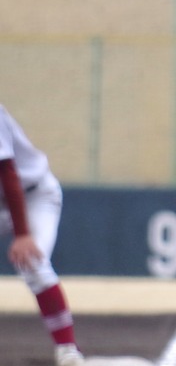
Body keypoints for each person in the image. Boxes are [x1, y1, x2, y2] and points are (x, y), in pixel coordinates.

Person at [0, 104, 85, 366]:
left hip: (34, 195)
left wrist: (23, 234)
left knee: (33, 263)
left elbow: (8, 173)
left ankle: (67, 350)